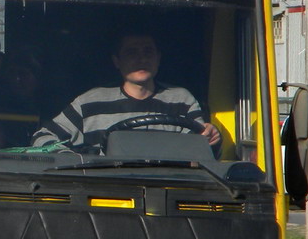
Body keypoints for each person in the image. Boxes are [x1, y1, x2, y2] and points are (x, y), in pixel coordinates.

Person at [32, 32, 221, 151]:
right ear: (117, 61)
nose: (141, 59)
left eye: (148, 52)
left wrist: (210, 138)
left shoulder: (182, 100)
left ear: (158, 58)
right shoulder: (90, 102)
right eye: (132, 52)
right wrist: (68, 157)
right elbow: (42, 137)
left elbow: (201, 150)